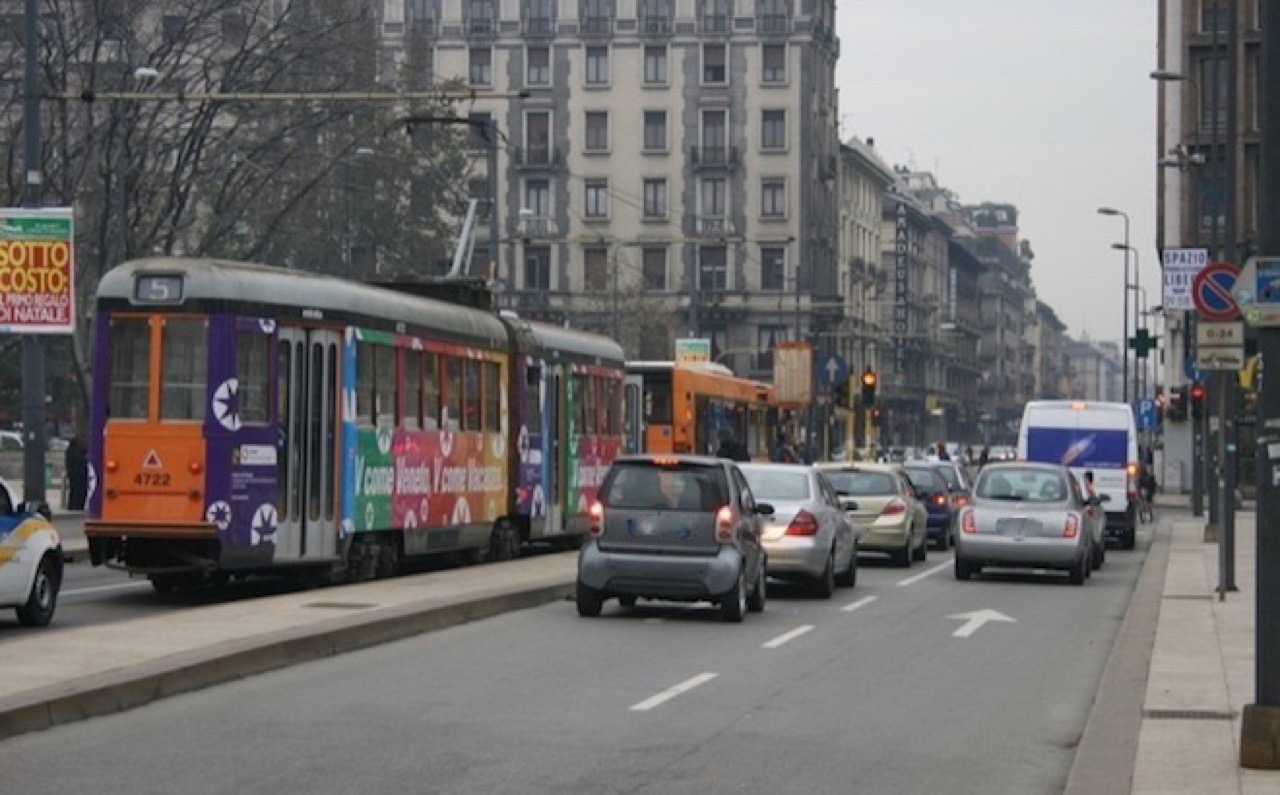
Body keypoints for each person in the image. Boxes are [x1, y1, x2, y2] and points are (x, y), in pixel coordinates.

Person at [65, 433, 89, 511]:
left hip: (75, 474)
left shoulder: (71, 450)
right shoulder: (76, 452)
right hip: (78, 474)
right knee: (78, 491)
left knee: (74, 491)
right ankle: (76, 506)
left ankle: (74, 506)